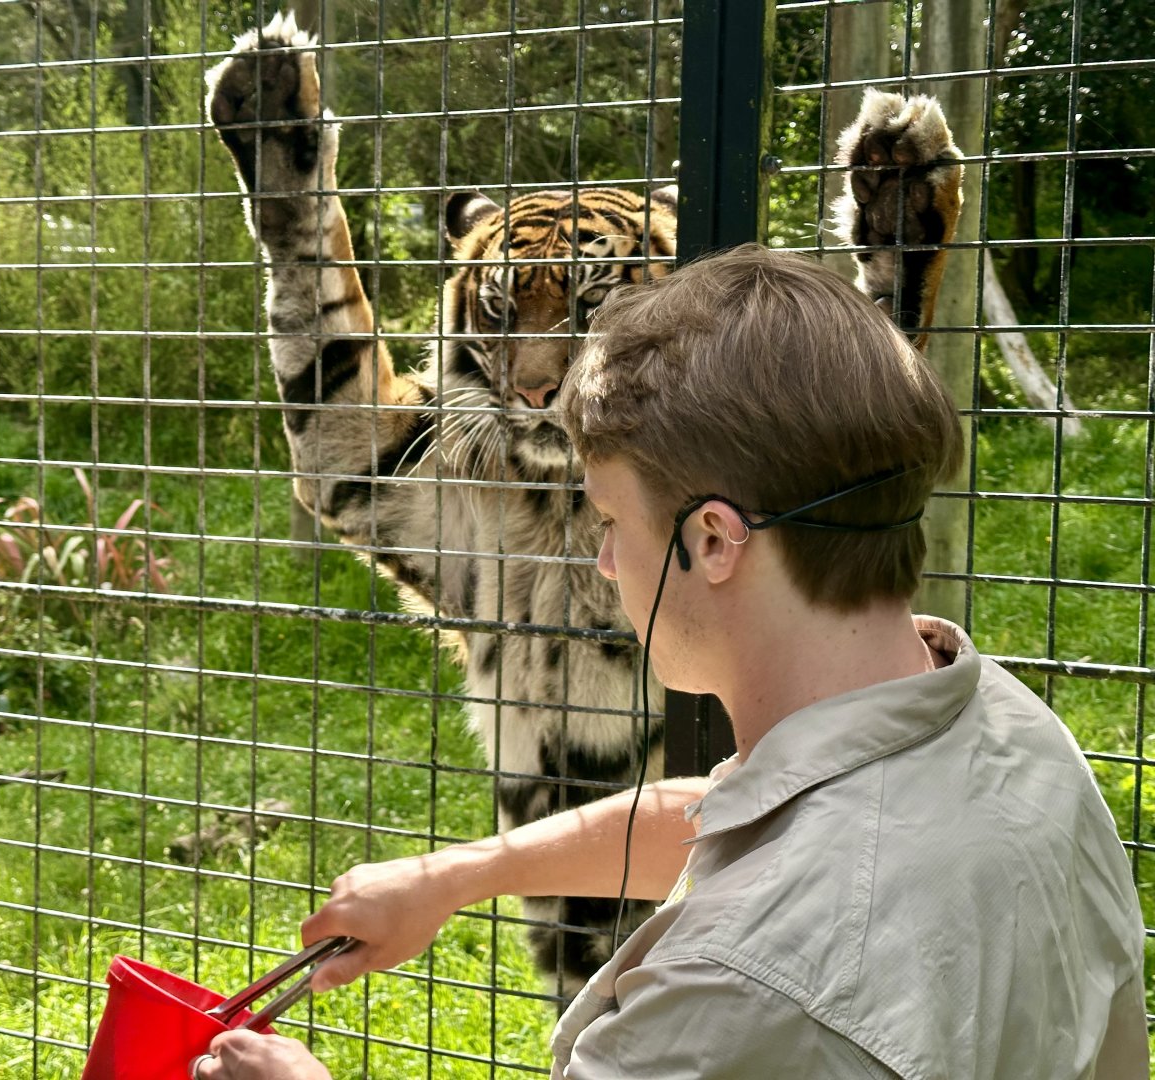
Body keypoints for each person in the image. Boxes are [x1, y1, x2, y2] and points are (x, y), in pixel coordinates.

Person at [190, 245, 1149, 1079]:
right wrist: (456, 874)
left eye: (611, 521)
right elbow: (727, 819)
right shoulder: (1015, 732)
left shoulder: (728, 998)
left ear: (716, 541)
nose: (604, 562)